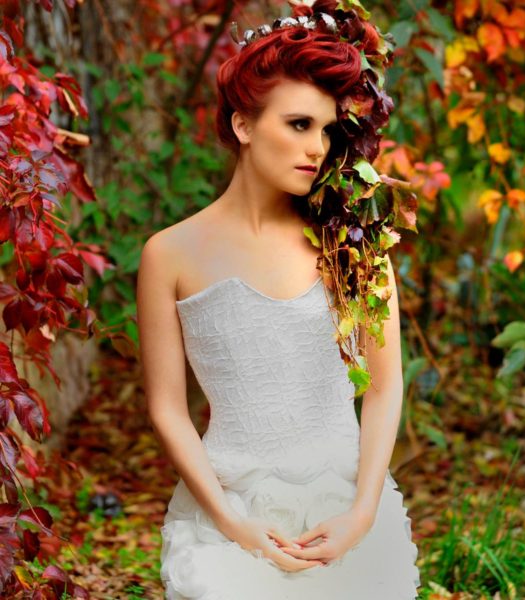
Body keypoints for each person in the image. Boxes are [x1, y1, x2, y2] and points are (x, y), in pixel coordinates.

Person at [136, 7, 420, 599]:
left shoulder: (354, 248)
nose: (317, 147)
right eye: (298, 124)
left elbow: (384, 386)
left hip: (343, 507)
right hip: (227, 511)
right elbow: (167, 408)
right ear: (243, 125)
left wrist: (362, 514)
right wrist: (231, 523)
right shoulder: (169, 254)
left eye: (327, 130)